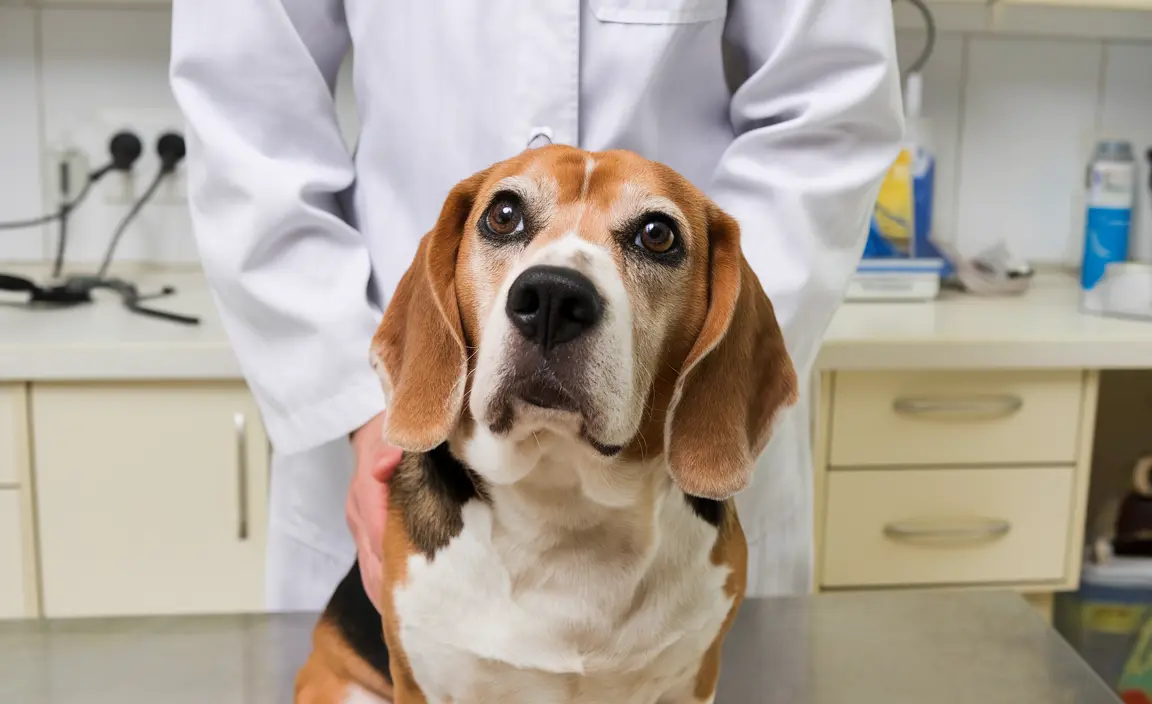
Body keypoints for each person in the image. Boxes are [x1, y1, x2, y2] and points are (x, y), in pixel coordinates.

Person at [170, 0, 904, 612]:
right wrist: (369, 408)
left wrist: (698, 396)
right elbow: (246, 115)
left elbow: (830, 111)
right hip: (409, 426)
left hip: (680, 459)